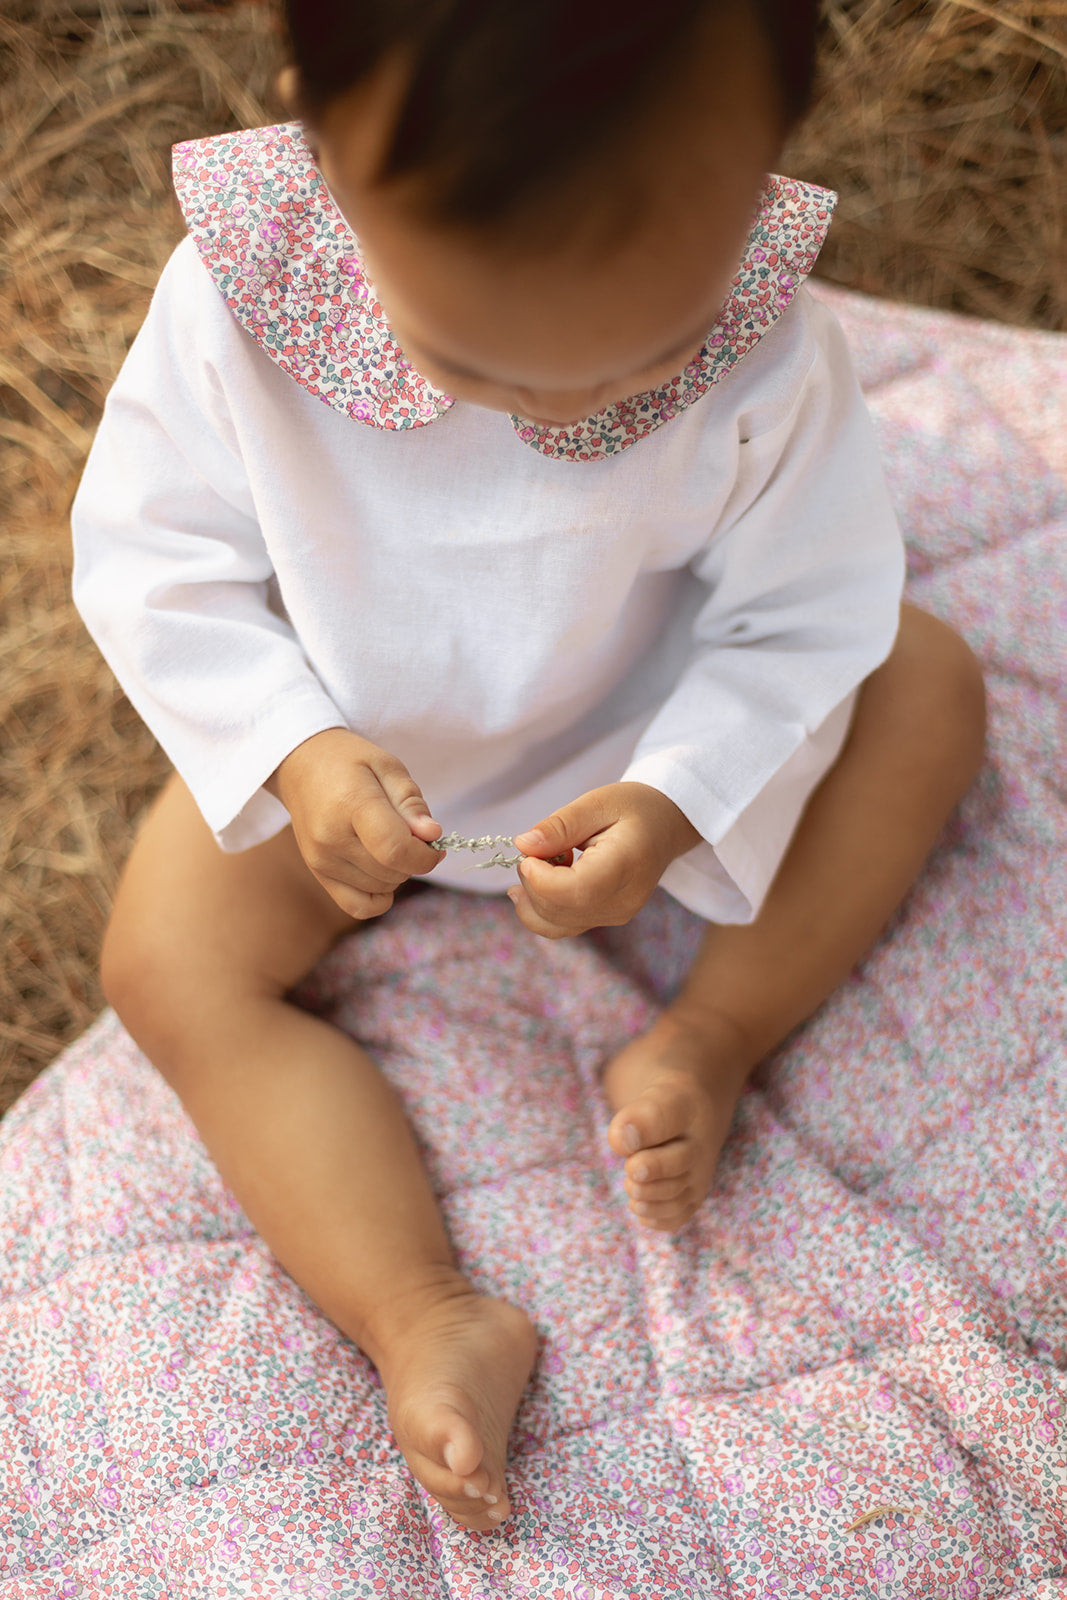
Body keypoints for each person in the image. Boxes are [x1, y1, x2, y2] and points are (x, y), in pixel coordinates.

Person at [70, 0, 986, 1533]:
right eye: (479, 358)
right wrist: (290, 752)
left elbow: (802, 606)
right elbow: (157, 563)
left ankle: (713, 1035)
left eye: (652, 353)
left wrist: (680, 789)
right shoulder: (246, 305)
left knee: (931, 686)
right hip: (357, 763)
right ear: (325, 153)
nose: (570, 408)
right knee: (166, 970)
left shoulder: (770, 340)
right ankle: (424, 1309)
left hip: (651, 724)